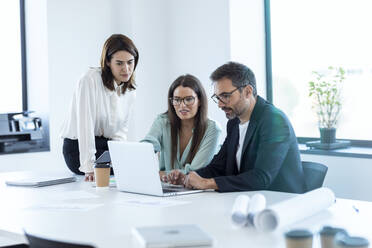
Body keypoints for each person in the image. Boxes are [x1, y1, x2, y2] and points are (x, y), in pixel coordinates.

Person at [168, 62, 306, 193]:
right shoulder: (234, 123)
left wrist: (207, 183)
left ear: (247, 91)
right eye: (217, 97)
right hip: (246, 200)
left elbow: (261, 178)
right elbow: (218, 166)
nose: (220, 105)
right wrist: (189, 177)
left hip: (281, 204)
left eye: (226, 96)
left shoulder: (274, 121)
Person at [60, 34, 139, 182]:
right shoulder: (89, 80)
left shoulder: (129, 90)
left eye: (130, 62)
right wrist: (89, 166)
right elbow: (85, 126)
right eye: (119, 63)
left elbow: (120, 134)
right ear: (108, 62)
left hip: (106, 146)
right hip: (77, 148)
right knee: (128, 166)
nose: (126, 69)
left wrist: (122, 155)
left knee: (135, 163)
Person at [141, 74, 221, 180]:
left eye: (189, 99)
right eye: (177, 100)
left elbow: (196, 171)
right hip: (167, 189)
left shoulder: (212, 129)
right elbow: (146, 146)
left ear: (200, 101)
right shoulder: (163, 121)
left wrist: (161, 174)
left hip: (198, 191)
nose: (182, 105)